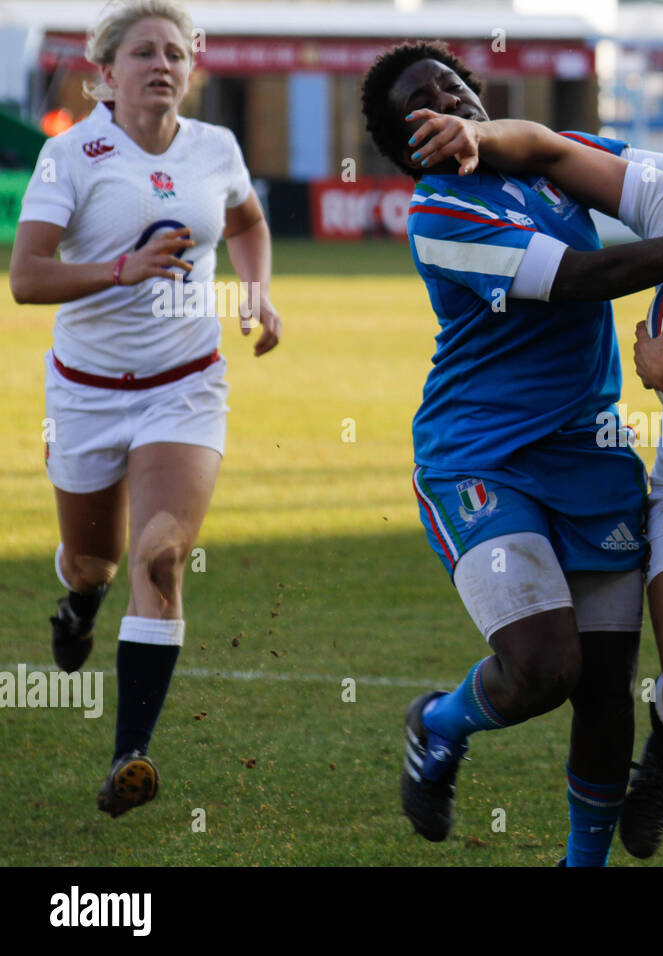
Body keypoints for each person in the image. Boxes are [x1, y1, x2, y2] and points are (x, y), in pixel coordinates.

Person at [360, 42, 663, 866]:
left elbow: (578, 150)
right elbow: (580, 275)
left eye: (455, 85)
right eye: (420, 104)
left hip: (592, 454)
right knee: (545, 666)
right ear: (407, 148)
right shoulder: (441, 214)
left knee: (609, 688)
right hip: (483, 460)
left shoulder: (564, 168)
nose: (447, 101)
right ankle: (438, 723)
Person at [8, 0, 281, 817]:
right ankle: (78, 602)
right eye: (144, 53)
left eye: (176, 53)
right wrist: (121, 269)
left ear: (190, 72)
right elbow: (26, 277)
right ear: (106, 73)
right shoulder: (71, 154)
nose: (163, 64)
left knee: (162, 558)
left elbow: (247, 219)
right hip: (87, 394)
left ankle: (131, 753)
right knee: (94, 562)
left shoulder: (216, 148)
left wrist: (257, 292)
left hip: (185, 384)